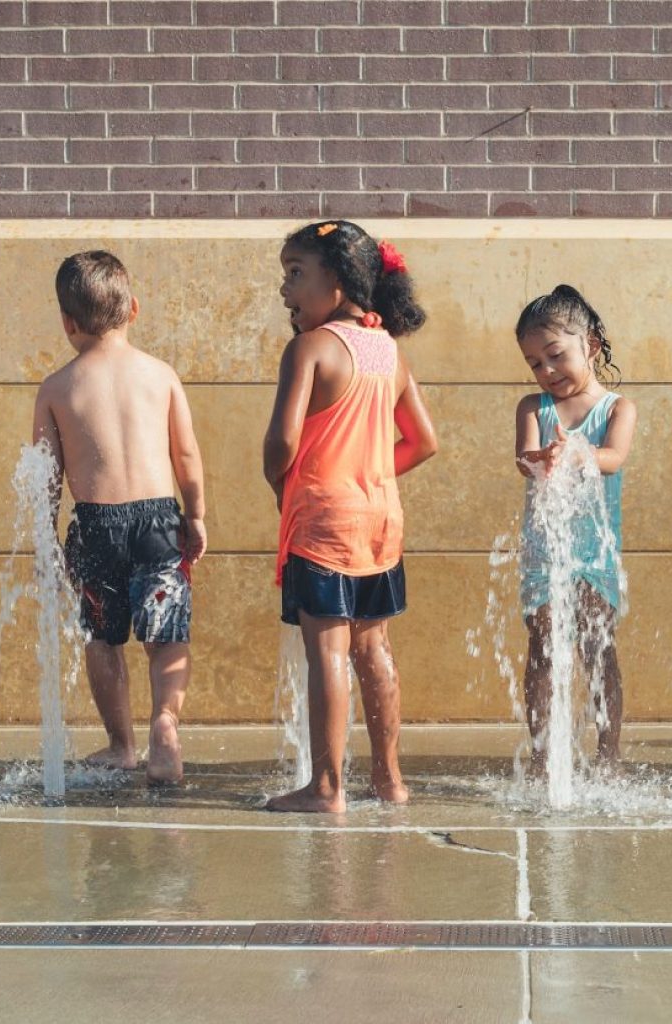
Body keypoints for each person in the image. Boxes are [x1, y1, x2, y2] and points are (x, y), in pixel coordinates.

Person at [263, 220, 437, 814]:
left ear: (335, 281)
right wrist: (369, 470)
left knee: (328, 655)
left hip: (323, 520)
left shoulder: (309, 348)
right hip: (380, 519)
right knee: (374, 650)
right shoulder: (388, 349)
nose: (284, 290)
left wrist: (279, 478)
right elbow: (423, 442)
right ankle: (390, 780)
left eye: (295, 274)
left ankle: (326, 787)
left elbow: (282, 445)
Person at [33, 250, 206, 785]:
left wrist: (49, 542)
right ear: (133, 308)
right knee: (167, 633)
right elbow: (187, 457)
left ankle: (121, 745)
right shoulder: (160, 375)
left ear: (67, 322)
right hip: (158, 520)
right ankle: (165, 723)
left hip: (95, 524)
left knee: (103, 638)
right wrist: (195, 516)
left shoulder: (57, 388)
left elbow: (45, 479)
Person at [514, 285, 637, 775]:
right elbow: (524, 459)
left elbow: (614, 458)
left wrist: (577, 452)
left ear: (591, 345)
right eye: (534, 363)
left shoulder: (618, 408)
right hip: (546, 549)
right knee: (542, 646)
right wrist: (539, 459)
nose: (546, 372)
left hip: (595, 549)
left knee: (597, 645)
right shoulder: (532, 407)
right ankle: (545, 755)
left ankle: (609, 754)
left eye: (555, 356)